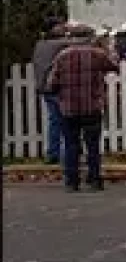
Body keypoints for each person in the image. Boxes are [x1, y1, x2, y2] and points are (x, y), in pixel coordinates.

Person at [47, 28, 119, 192]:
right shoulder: (97, 54)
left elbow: (52, 83)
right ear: (90, 37)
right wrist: (111, 50)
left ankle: (72, 181)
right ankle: (94, 179)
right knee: (92, 144)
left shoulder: (62, 56)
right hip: (92, 106)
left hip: (69, 108)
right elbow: (114, 66)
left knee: (71, 144)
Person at [31, 17, 84, 164]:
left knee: (54, 121)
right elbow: (82, 43)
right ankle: (66, 155)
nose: (62, 27)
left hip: (45, 88)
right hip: (56, 88)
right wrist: (75, 30)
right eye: (59, 26)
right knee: (66, 121)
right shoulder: (57, 43)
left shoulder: (40, 44)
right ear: (52, 28)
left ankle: (52, 154)